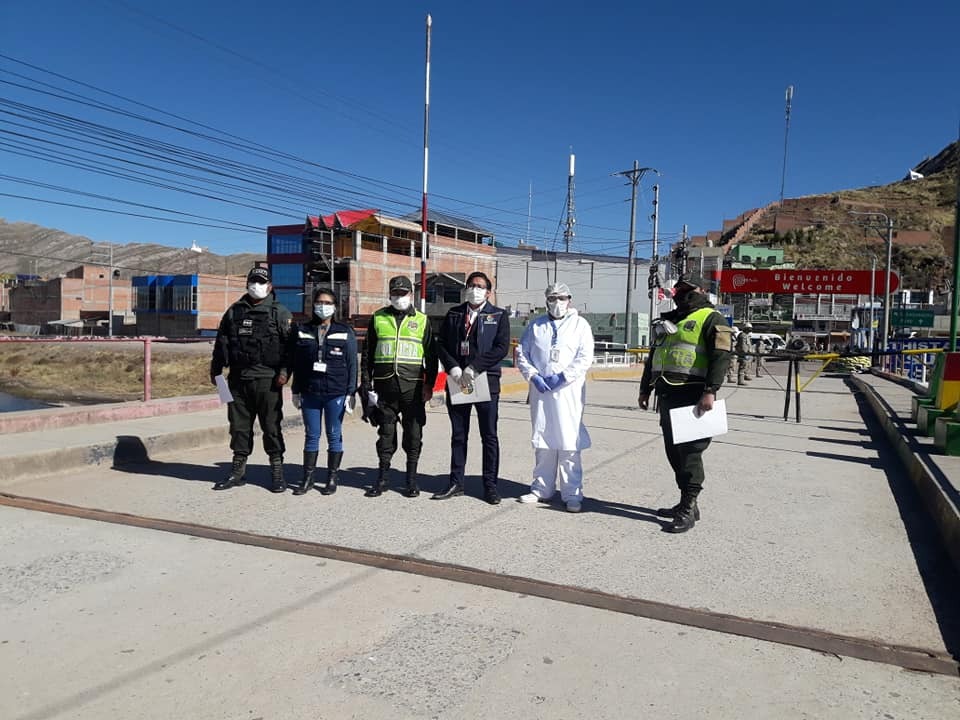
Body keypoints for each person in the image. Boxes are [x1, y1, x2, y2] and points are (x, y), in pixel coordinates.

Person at [638, 273, 733, 533]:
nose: (680, 294)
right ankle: (686, 500)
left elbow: (721, 357)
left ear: (702, 290)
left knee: (690, 452)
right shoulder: (671, 320)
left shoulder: (713, 318)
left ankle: (689, 505)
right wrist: (645, 388)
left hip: (694, 395)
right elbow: (654, 356)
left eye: (687, 289)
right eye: (678, 290)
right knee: (673, 451)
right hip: (667, 393)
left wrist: (711, 390)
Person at [210, 266, 293, 493]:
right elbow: (221, 344)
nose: (257, 286)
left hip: (268, 381)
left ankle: (277, 472)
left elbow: (290, 349)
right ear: (247, 284)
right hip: (237, 381)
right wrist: (216, 374)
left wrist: (285, 373)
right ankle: (238, 472)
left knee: (271, 427)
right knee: (238, 428)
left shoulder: (280, 313)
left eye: (261, 282)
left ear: (270, 286)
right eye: (253, 281)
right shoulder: (234, 312)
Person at [432, 271, 511, 505]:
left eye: (479, 286)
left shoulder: (498, 315)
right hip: (458, 382)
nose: (474, 289)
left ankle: (490, 486)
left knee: (489, 436)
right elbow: (442, 344)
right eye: (471, 285)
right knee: (459, 435)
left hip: (485, 381)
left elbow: (501, 348)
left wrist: (475, 367)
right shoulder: (455, 314)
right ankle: (456, 481)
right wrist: (453, 367)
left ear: (488, 291)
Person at [515, 282, 594, 513]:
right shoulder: (536, 325)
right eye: (552, 298)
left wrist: (563, 377)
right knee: (543, 440)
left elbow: (584, 357)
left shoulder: (580, 325)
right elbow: (522, 353)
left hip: (568, 392)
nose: (557, 302)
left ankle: (572, 494)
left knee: (569, 443)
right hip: (541, 393)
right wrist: (533, 376)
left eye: (561, 298)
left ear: (569, 299)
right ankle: (542, 489)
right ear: (546, 300)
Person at [361, 275, 438, 498]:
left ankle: (411, 480)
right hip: (385, 388)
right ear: (389, 294)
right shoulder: (378, 318)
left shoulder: (422, 320)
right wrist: (366, 384)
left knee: (413, 435)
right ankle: (382, 479)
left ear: (410, 295)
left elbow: (431, 357)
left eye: (403, 293)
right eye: (395, 293)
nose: (399, 297)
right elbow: (367, 354)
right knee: (385, 435)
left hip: (412, 389)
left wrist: (429, 385)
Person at [288, 286, 358, 496]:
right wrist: (296, 390)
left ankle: (331, 478)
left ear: (335, 307)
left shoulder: (345, 332)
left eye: (328, 303)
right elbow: (297, 363)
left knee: (334, 435)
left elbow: (352, 363)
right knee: (311, 435)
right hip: (310, 392)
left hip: (335, 392)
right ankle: (308, 478)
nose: (323, 307)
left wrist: (350, 393)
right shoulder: (303, 330)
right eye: (320, 302)